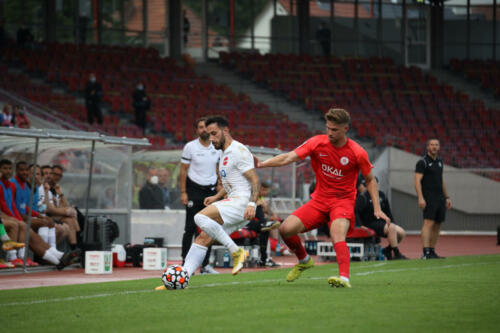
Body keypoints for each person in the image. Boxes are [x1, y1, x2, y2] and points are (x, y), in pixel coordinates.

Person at [256, 108, 389, 288]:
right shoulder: (316, 143)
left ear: (345, 129)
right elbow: (287, 157)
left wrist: (377, 208)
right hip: (319, 201)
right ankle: (304, 260)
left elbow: (370, 180)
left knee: (336, 235)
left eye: (334, 130)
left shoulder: (357, 152)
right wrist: (262, 164)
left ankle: (344, 278)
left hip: (343, 201)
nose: (330, 133)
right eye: (328, 128)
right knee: (286, 229)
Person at [156, 115, 260, 290]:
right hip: (233, 201)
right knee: (203, 238)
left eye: (214, 134)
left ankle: (236, 251)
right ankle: (182, 280)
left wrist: (252, 204)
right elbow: (233, 183)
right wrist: (217, 197)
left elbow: (254, 180)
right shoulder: (225, 153)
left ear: (225, 131)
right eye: (209, 135)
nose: (211, 139)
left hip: (241, 203)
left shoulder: (238, 151)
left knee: (199, 218)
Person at [179, 117, 221, 274]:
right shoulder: (190, 147)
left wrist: (219, 184)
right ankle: (185, 263)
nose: (204, 130)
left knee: (207, 229)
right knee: (189, 228)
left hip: (210, 192)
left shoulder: (216, 146)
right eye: (201, 127)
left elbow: (218, 167)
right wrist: (183, 192)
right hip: (193, 190)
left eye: (206, 127)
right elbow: (183, 170)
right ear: (197, 130)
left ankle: (205, 265)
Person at [414, 138, 451, 259]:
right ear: (427, 147)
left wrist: (447, 197)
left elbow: (441, 180)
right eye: (431, 145)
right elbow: (417, 181)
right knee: (428, 223)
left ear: (439, 147)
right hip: (428, 197)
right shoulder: (422, 162)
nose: (434, 147)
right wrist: (420, 198)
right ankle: (425, 252)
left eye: (436, 145)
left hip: (440, 198)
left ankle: (432, 250)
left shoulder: (440, 161)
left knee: (438, 224)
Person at [355, 177, 407, 260]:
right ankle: (397, 253)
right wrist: (360, 225)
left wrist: (392, 222)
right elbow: (356, 212)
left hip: (382, 222)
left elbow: (388, 211)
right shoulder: (363, 196)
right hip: (370, 223)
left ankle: (388, 250)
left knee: (401, 233)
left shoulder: (382, 195)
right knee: (391, 228)